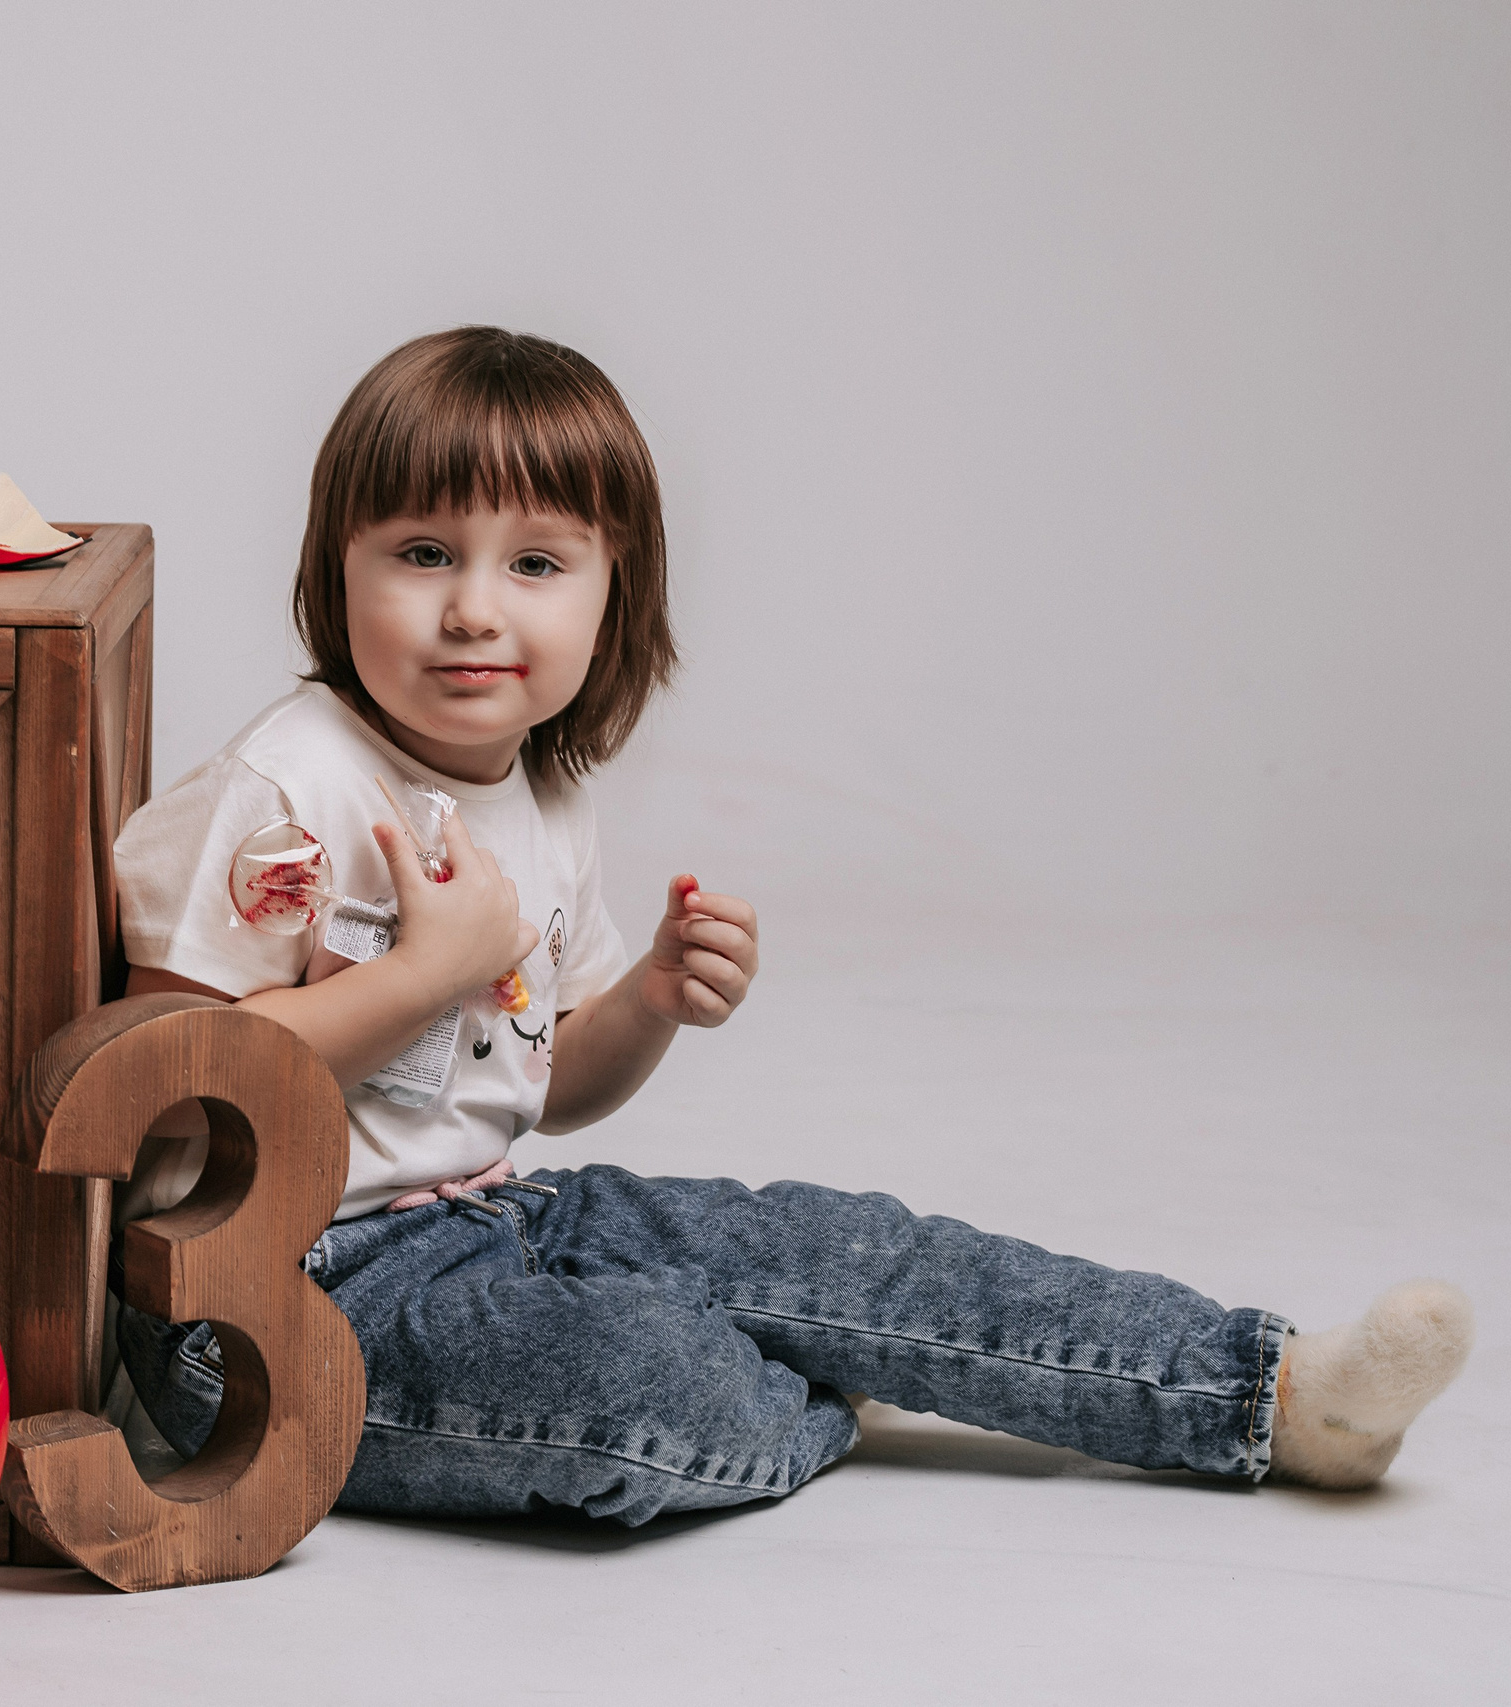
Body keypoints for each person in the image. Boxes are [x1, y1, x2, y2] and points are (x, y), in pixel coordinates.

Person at [108, 326, 1472, 1521]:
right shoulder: (286, 789)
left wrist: (646, 1002)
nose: (473, 608)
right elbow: (160, 1098)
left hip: (494, 1215)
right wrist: (422, 976)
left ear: (611, 592)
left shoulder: (541, 796)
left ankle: (1272, 1394)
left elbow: (548, 1086)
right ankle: (794, 1388)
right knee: (644, 1377)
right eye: (421, 554)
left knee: (847, 1250)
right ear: (334, 567)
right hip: (269, 1305)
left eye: (534, 563)